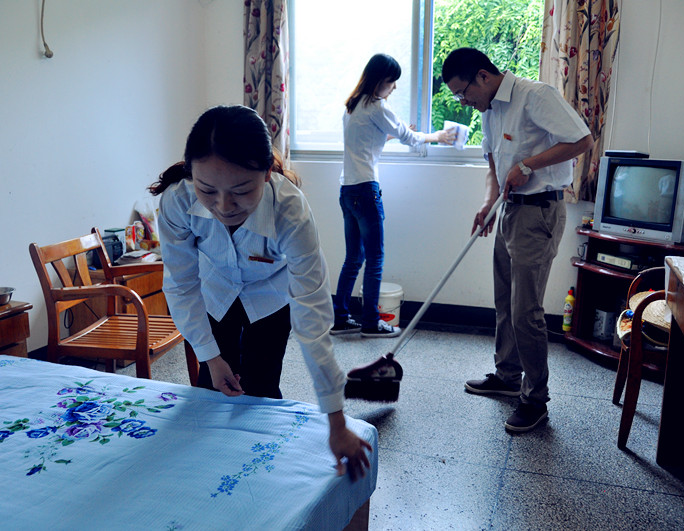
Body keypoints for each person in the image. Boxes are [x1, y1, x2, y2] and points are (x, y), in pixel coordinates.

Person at [151, 104, 371, 478]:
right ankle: (209, 470)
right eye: (207, 190)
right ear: (191, 173)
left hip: (271, 296)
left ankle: (256, 473)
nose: (224, 207)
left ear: (267, 172)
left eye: (241, 191)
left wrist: (336, 422)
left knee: (262, 383)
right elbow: (181, 285)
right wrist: (211, 357)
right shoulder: (177, 200)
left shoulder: (290, 212)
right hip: (215, 291)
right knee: (212, 385)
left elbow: (312, 317)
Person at [441, 48, 593, 432]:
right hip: (510, 211)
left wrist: (528, 165)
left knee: (526, 310)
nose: (463, 101)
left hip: (539, 212)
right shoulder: (489, 110)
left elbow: (581, 140)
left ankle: (535, 399)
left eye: (463, 92)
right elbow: (494, 164)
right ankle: (508, 376)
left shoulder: (535, 95)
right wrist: (488, 203)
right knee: (505, 300)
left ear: (482, 76)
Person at [332, 53, 456, 338]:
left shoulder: (352, 106)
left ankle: (340, 318)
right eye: (391, 82)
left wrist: (397, 134)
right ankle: (370, 322)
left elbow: (366, 140)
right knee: (375, 258)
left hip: (347, 190)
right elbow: (409, 138)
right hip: (366, 190)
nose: (394, 87)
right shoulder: (377, 106)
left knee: (353, 259)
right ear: (379, 81)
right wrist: (437, 136)